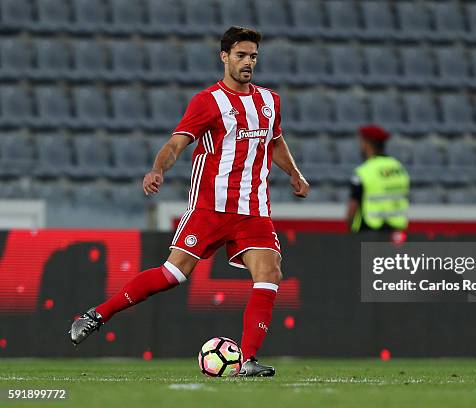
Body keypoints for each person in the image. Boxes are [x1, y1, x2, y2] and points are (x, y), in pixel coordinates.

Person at [68, 26, 310, 377]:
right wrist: (157, 169)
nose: (248, 62)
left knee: (270, 272)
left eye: (253, 56)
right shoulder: (208, 101)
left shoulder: (270, 101)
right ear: (224, 57)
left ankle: (247, 360)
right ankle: (96, 315)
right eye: (241, 55)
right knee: (172, 274)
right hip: (209, 207)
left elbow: (273, 142)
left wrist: (294, 173)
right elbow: (176, 144)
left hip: (254, 208)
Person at [347, 125, 409, 233]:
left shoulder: (363, 172)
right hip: (395, 232)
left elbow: (353, 208)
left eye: (361, 142)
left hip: (369, 231)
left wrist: (351, 231)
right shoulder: (399, 168)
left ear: (367, 143)